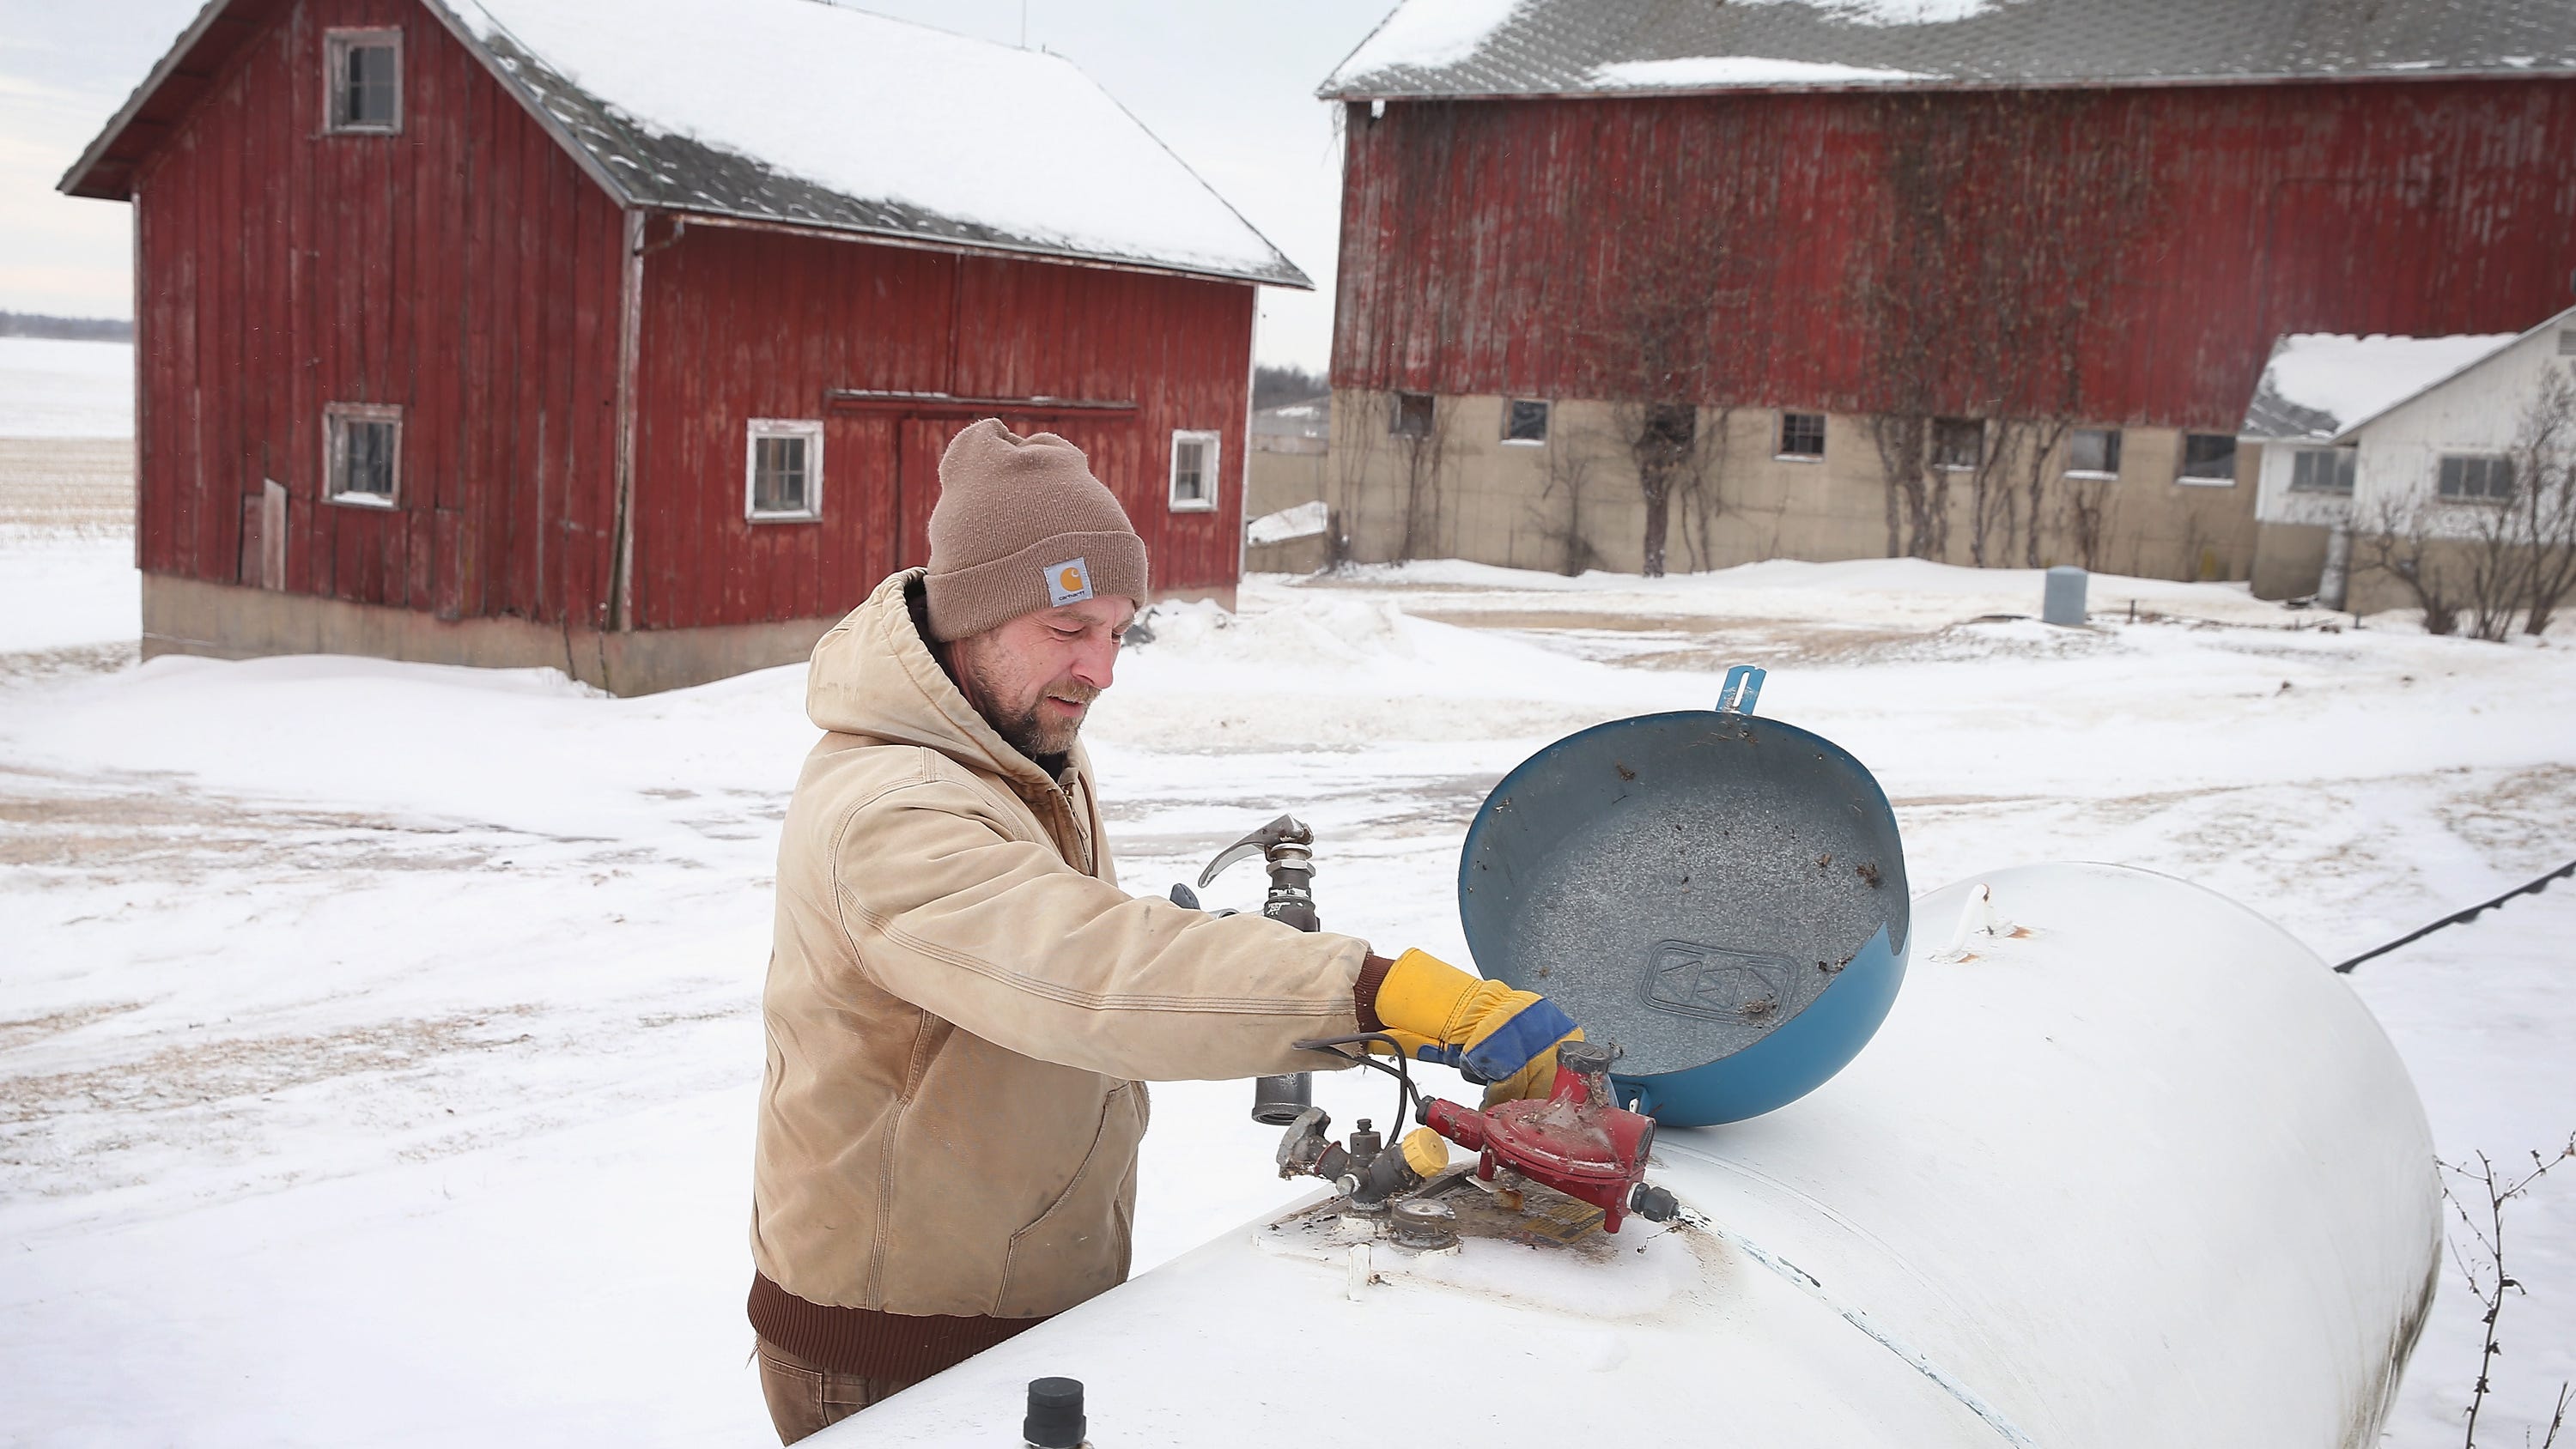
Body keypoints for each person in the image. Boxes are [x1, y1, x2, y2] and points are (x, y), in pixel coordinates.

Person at [746, 419, 1580, 1442]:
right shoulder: (892, 807)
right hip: (899, 1345)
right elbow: (1094, 971)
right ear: (973, 612)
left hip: (1014, 1302)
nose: (1101, 668)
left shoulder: (1018, 743)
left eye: (1118, 630)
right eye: (1068, 627)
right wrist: (1378, 992)